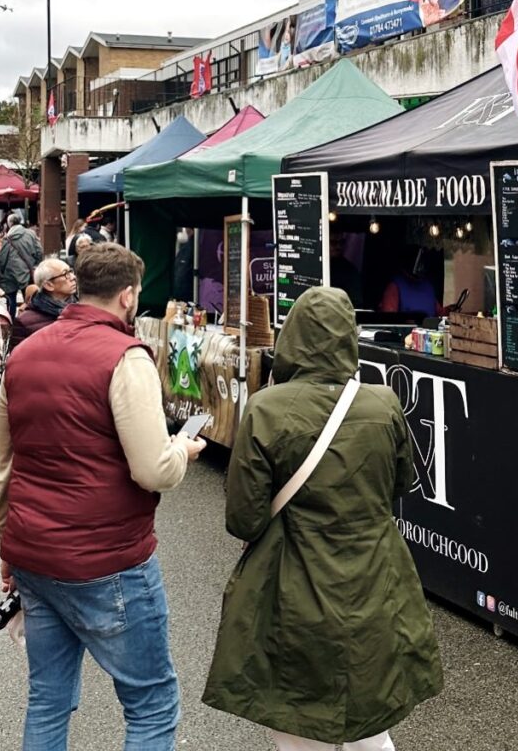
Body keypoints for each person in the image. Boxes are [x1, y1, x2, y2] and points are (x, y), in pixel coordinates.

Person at [203, 287, 443, 750]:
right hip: (375, 574)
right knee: (370, 717)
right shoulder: (383, 403)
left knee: (297, 720)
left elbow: (245, 520)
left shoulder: (267, 408)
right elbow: (402, 484)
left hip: (291, 579)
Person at [0, 243, 207, 751]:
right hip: (108, 562)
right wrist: (182, 451)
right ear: (128, 296)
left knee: (47, 697)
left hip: (33, 554)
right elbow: (152, 470)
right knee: (151, 702)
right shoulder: (125, 357)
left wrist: (7, 548)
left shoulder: (23, 355)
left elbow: (4, 467)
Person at [9, 258, 76, 351]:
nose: (73, 277)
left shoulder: (81, 310)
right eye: (65, 274)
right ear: (48, 285)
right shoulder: (25, 322)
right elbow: (18, 360)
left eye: (71, 271)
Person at [0, 213, 44, 319]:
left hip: (10, 272)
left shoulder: (7, 238)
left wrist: (0, 272)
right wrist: (36, 264)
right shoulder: (31, 233)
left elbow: (3, 258)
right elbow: (39, 251)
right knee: (29, 298)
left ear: (9, 224)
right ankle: (30, 319)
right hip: (27, 271)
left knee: (11, 300)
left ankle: (11, 322)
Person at [378, 246, 443, 317]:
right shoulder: (394, 287)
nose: (421, 264)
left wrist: (451, 309)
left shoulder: (428, 287)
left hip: (429, 327)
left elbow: (439, 313)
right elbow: (388, 320)